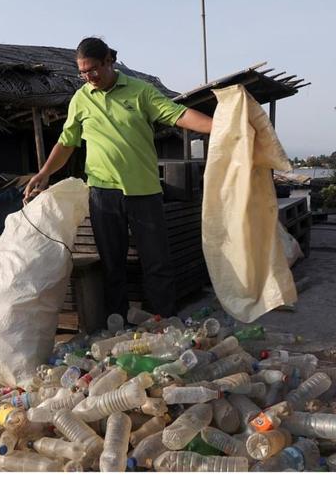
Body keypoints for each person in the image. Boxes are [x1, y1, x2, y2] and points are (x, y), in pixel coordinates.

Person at [23, 37, 214, 319]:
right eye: (83, 72)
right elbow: (67, 142)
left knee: (157, 262)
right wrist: (44, 172)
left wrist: (219, 127)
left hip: (144, 192)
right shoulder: (81, 99)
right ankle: (117, 322)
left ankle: (164, 321)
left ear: (109, 61)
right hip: (102, 195)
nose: (89, 77)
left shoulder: (141, 92)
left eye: (93, 70)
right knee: (112, 264)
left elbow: (178, 115)